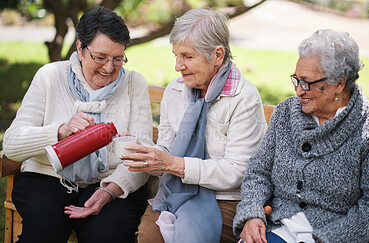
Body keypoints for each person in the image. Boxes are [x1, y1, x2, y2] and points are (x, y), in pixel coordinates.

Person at [233, 29, 369, 243]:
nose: (298, 91)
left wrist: (327, 239)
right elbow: (259, 171)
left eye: (307, 82)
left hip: (333, 236)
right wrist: (252, 214)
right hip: (275, 228)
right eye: (296, 79)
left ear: (339, 82)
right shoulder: (285, 113)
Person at [2, 6, 153, 243]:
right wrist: (60, 131)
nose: (108, 68)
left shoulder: (134, 84)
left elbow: (143, 153)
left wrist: (111, 189)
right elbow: (11, 144)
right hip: (48, 177)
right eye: (100, 57)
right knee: (43, 234)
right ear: (80, 48)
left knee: (107, 236)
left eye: (118, 59)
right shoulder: (50, 76)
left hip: (110, 182)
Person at [122, 8, 267, 243]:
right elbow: (167, 152)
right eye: (176, 55)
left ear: (218, 55)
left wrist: (174, 164)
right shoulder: (175, 90)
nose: (178, 66)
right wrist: (147, 155)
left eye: (188, 57)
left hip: (225, 197)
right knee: (149, 237)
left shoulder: (243, 97)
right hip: (175, 191)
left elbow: (237, 172)